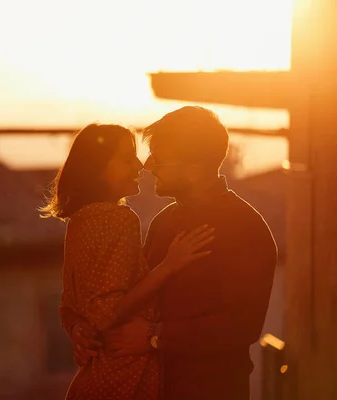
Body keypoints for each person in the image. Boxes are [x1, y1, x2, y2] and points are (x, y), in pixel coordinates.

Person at [65, 107, 278, 400]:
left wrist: (155, 337)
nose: (148, 165)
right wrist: (80, 328)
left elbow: (241, 327)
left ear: (192, 168)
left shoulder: (245, 228)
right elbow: (119, 293)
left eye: (160, 158)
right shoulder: (163, 222)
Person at [41, 123, 214, 400]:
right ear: (98, 170)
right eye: (125, 159)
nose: (138, 166)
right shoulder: (121, 219)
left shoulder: (80, 221)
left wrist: (76, 328)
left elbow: (70, 305)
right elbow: (108, 312)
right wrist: (169, 267)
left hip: (95, 377)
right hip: (123, 376)